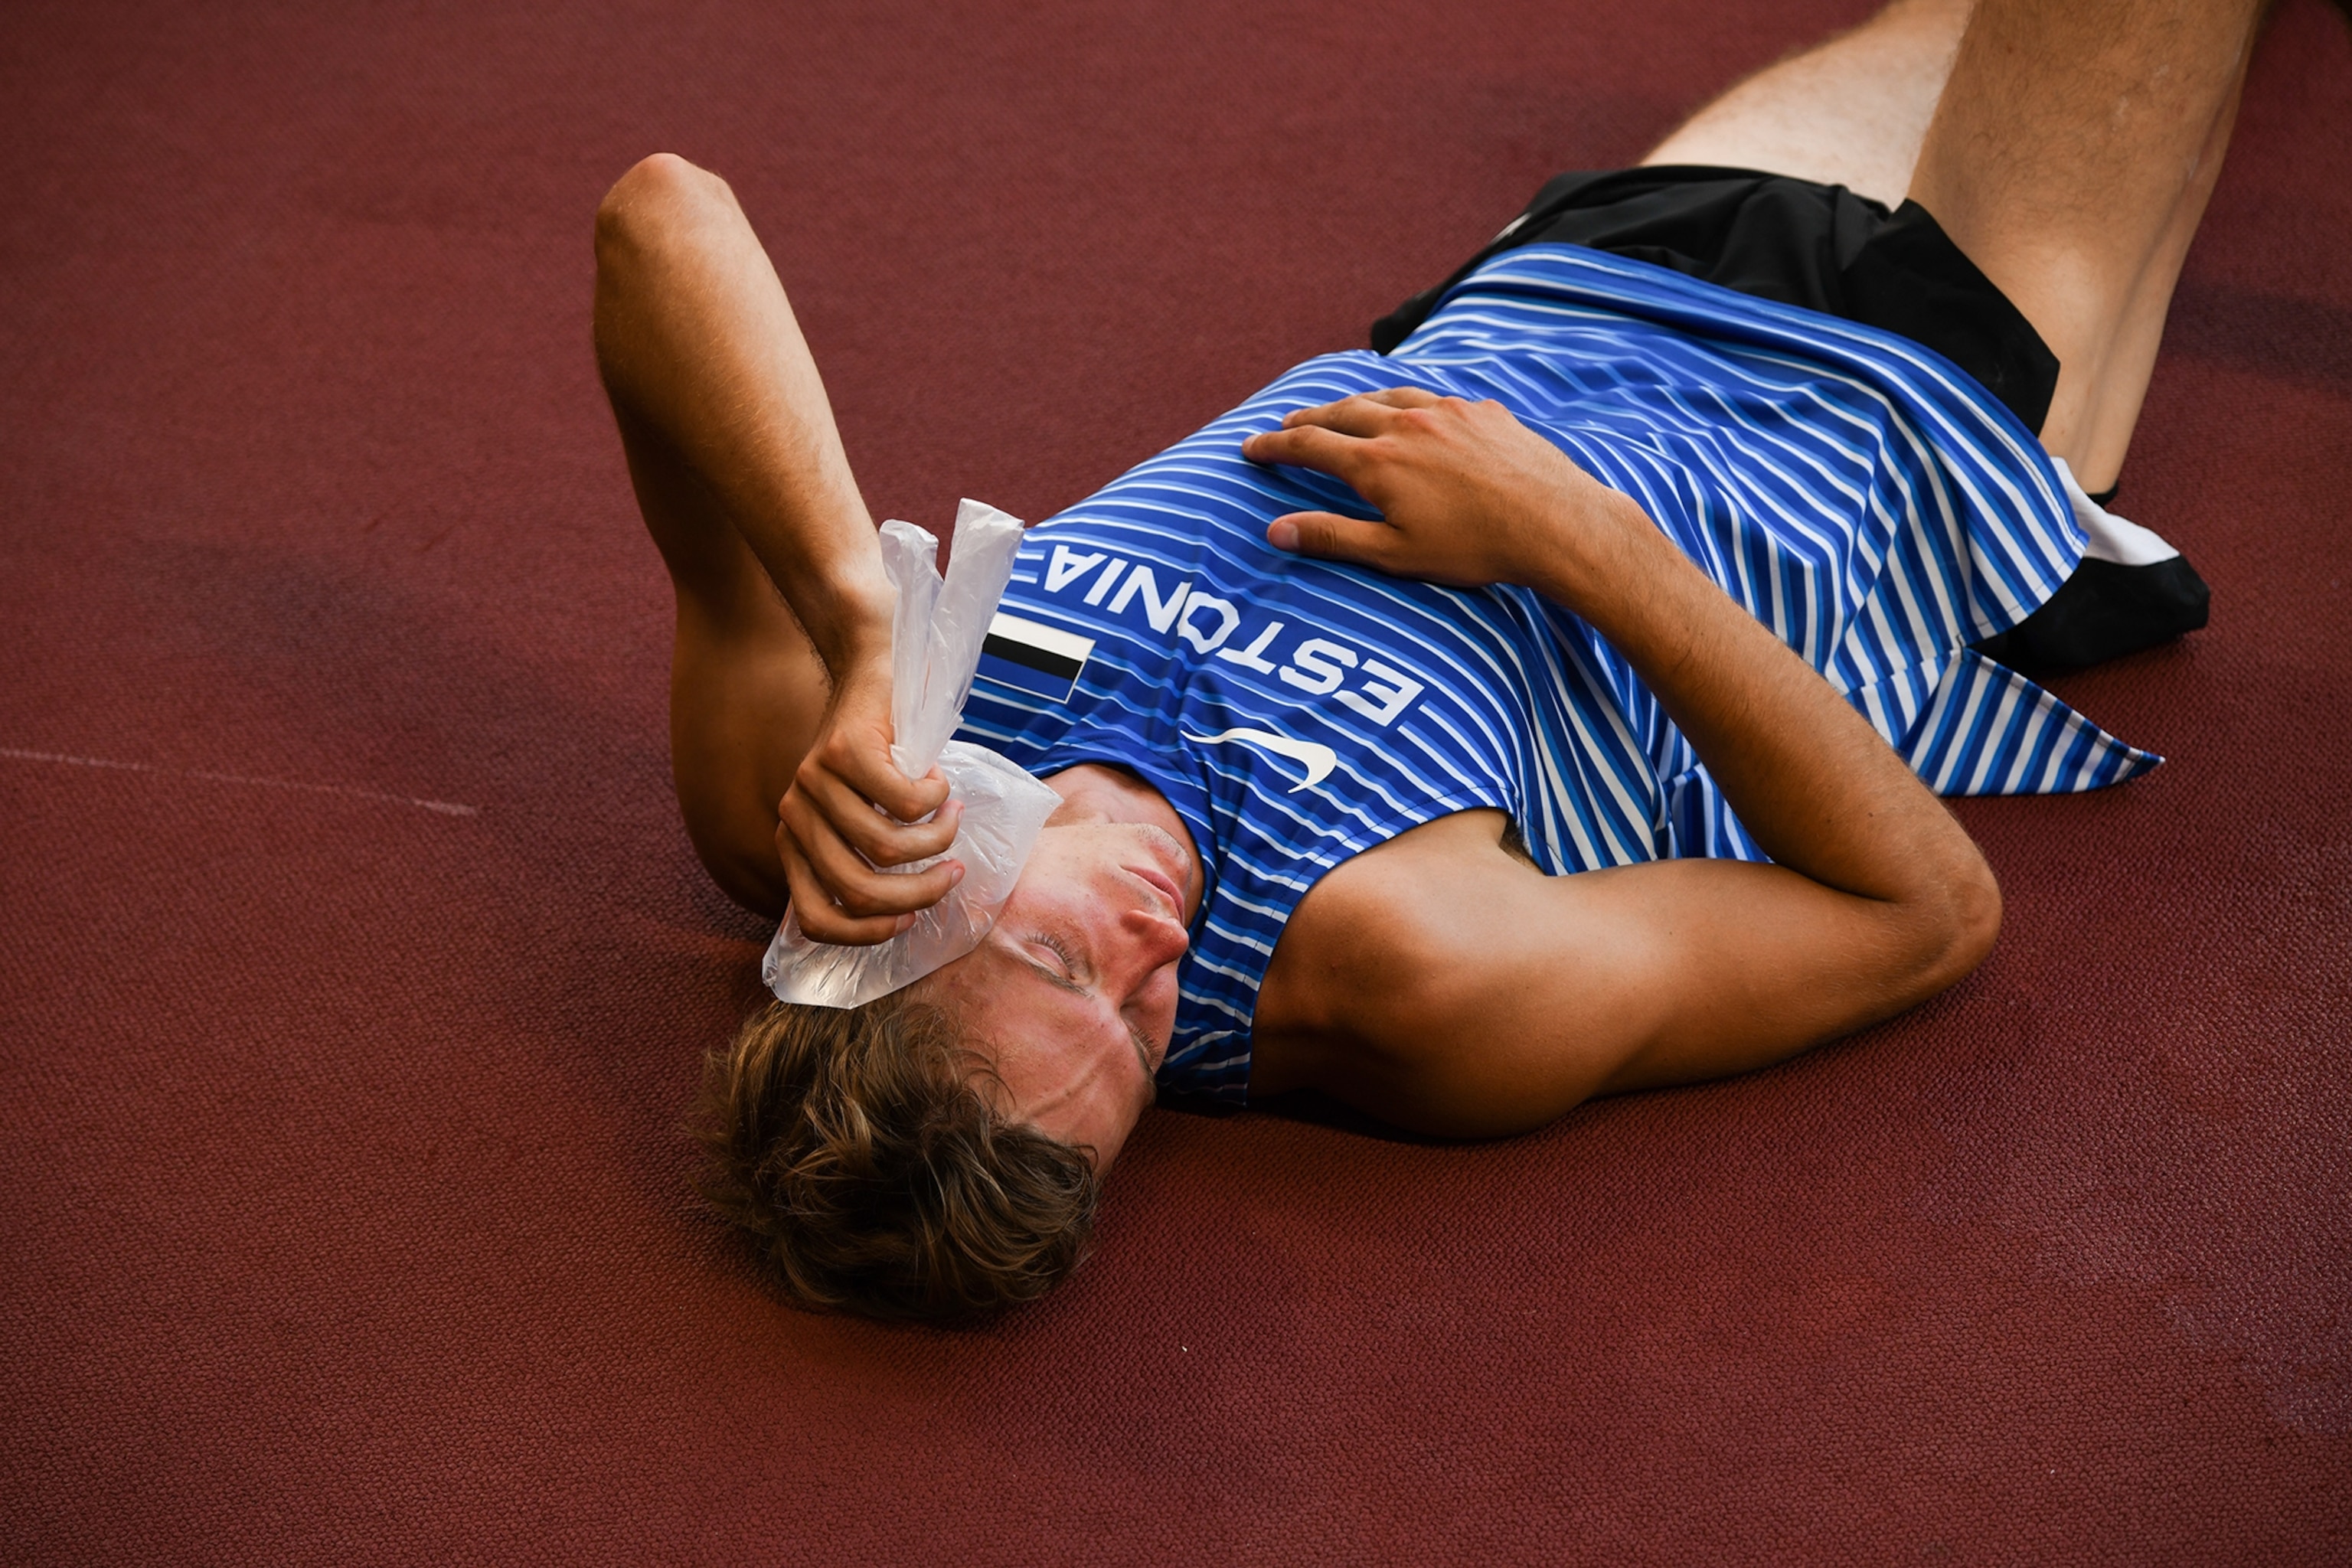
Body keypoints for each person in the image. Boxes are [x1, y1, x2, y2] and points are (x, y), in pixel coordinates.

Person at [590, 0, 2262, 1319]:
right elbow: (1930, 914)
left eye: (1061, 971)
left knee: (1955, 27)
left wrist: (854, 617)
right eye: (1153, 1041)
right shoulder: (1410, 974)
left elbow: (661, 223)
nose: (1155, 954)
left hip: (1567, 280)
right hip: (1894, 423)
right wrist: (1568, 533)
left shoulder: (824, 790)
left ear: (870, 934)